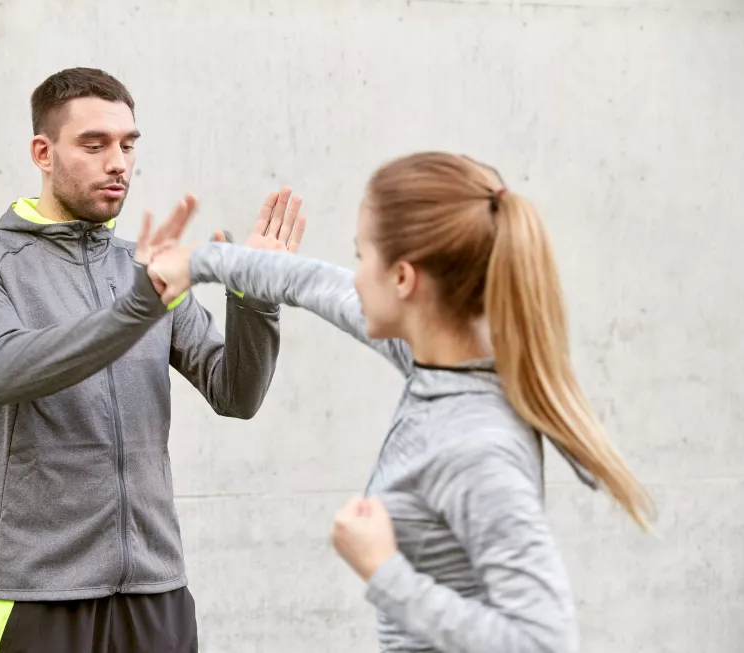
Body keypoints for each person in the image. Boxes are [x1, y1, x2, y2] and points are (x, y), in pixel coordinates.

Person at [147, 151, 654, 652]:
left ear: (404, 280)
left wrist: (383, 569)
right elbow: (313, 283)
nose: (356, 275)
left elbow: (543, 642)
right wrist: (199, 263)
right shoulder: (434, 358)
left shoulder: (476, 444)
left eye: (363, 257)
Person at [0, 67, 306, 653]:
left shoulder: (145, 269)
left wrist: (255, 296)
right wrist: (139, 307)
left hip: (157, 594)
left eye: (128, 145)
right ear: (43, 151)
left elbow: (235, 393)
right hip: (38, 599)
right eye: (95, 144)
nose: (119, 162)